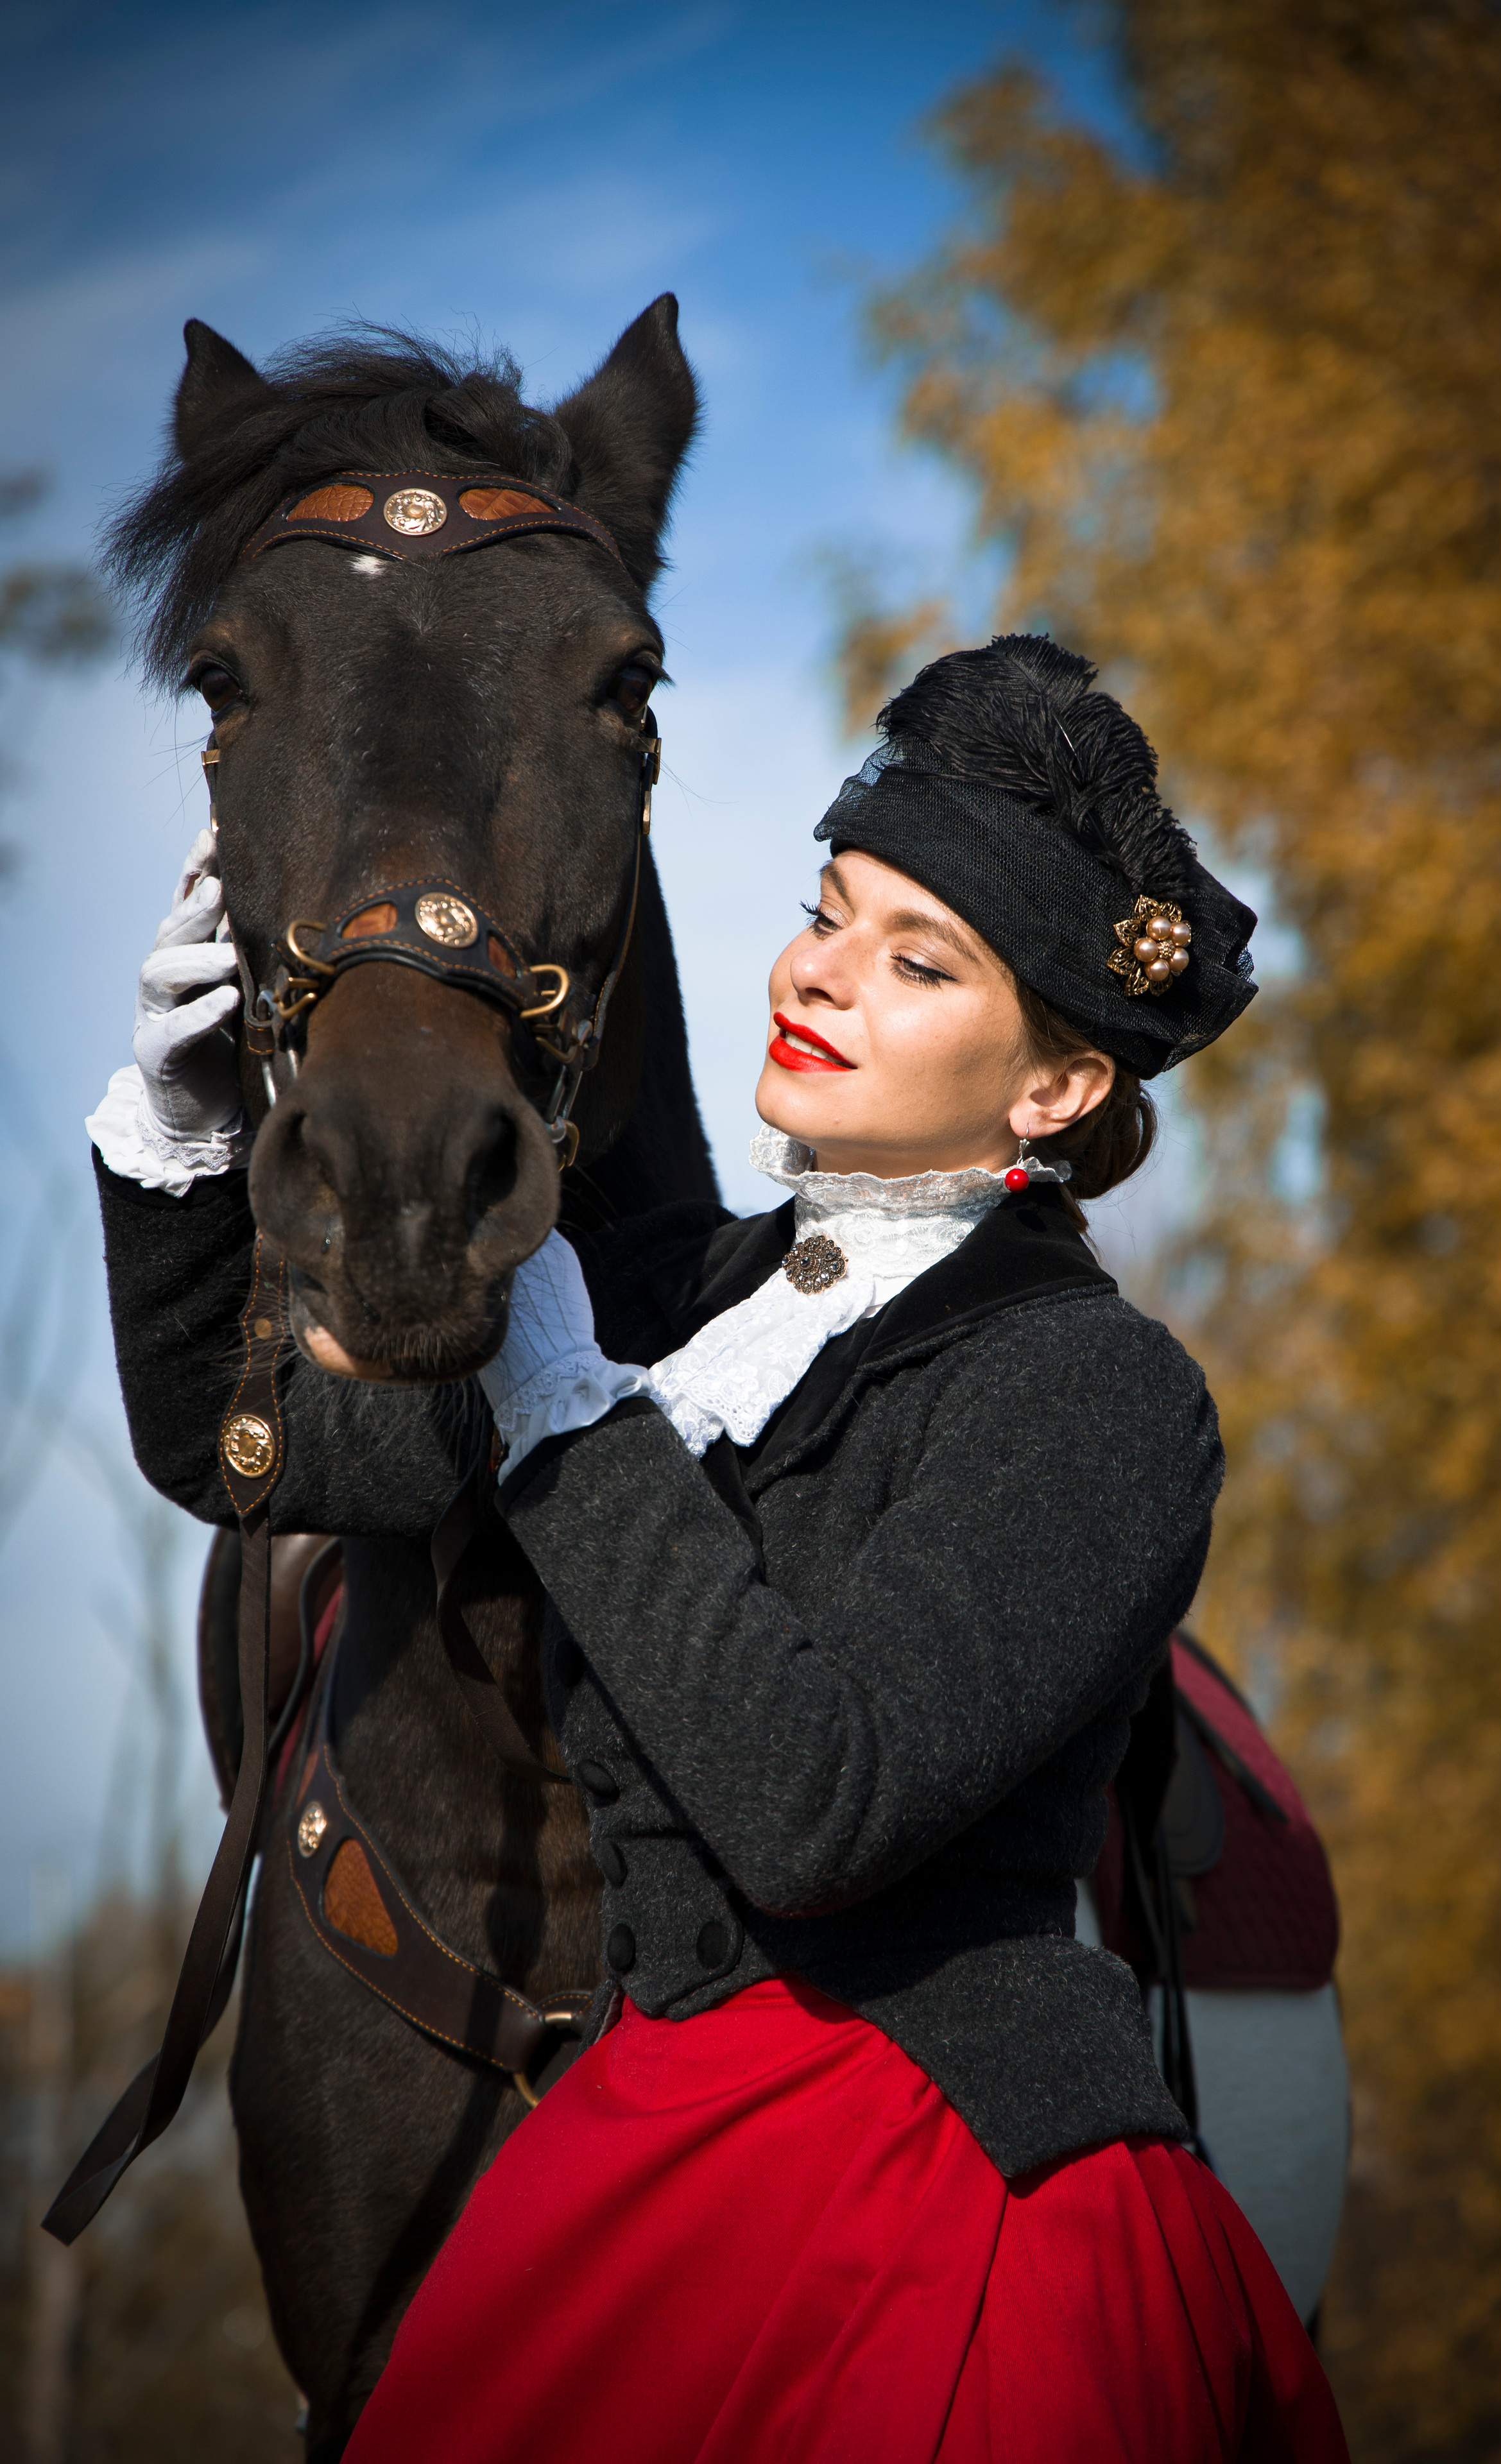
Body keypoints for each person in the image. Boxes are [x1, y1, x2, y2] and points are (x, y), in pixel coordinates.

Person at [90, 637, 1348, 2461]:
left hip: (940, 2193)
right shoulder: (683, 1309)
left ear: (1059, 1092)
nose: (821, 979)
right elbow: (251, 1448)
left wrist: (568, 1407)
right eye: (829, 914)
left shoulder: (1097, 1390)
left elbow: (816, 1811)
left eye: (915, 964)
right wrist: (188, 1142)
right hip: (653, 2123)